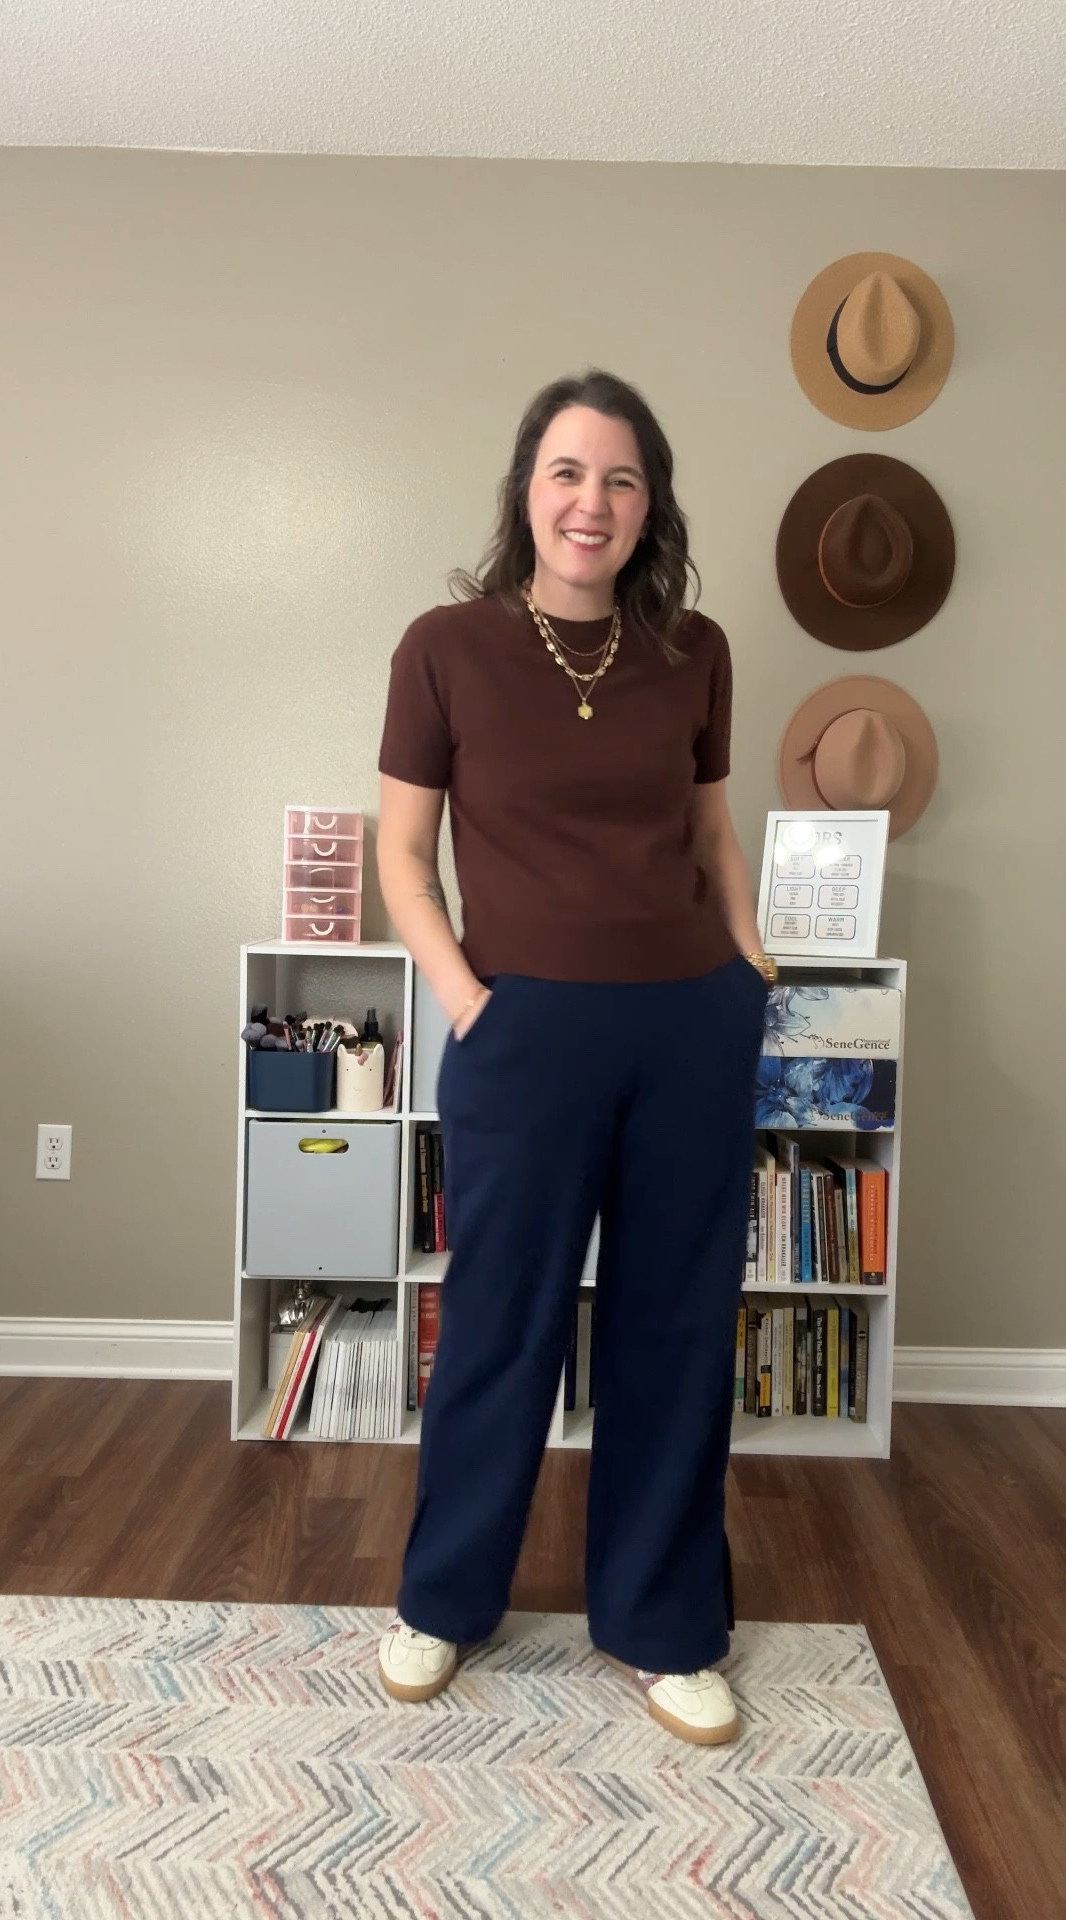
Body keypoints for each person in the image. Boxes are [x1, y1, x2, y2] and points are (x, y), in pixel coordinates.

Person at [374, 368, 775, 1746]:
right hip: (524, 1032)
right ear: (524, 491)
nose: (590, 500)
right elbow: (400, 854)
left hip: (690, 1026)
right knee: (500, 1322)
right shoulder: (446, 645)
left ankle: (664, 1626)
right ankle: (445, 1601)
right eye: (565, 471)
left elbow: (716, 832)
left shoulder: (694, 649)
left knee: (673, 1328)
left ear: (648, 503)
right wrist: (470, 1000)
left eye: (619, 477)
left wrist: (751, 963)